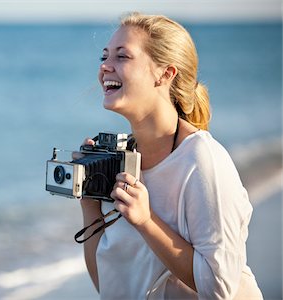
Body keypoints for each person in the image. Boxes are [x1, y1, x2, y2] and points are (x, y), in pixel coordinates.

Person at [79, 12, 263, 299]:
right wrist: (90, 206)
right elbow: (109, 286)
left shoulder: (202, 158)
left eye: (122, 57)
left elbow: (219, 288)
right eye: (104, 56)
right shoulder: (120, 161)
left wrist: (146, 221)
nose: (104, 66)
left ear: (165, 74)